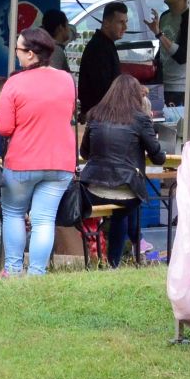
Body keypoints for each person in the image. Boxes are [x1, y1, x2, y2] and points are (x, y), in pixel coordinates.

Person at [0, 26, 77, 275]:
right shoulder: (66, 79)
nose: (17, 54)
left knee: (13, 213)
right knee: (44, 219)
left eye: (19, 49)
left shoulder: (14, 83)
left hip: (23, 161)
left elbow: (3, 127)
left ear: (31, 54)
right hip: (61, 162)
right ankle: (37, 274)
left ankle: (12, 269)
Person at [79, 73, 164, 267]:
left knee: (126, 210)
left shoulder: (95, 115)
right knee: (125, 210)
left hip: (93, 189)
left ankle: (135, 248)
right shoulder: (140, 119)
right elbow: (158, 157)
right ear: (136, 95)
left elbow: (84, 153)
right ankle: (116, 261)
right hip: (126, 188)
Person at [152, 0, 190, 107]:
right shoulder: (165, 16)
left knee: (176, 126)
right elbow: (163, 51)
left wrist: (159, 34)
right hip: (161, 84)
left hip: (180, 88)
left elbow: (183, 56)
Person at [77, 1, 126, 116]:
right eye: (120, 22)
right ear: (106, 23)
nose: (125, 27)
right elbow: (103, 89)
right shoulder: (99, 48)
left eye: (126, 22)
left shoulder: (107, 44)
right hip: (100, 117)